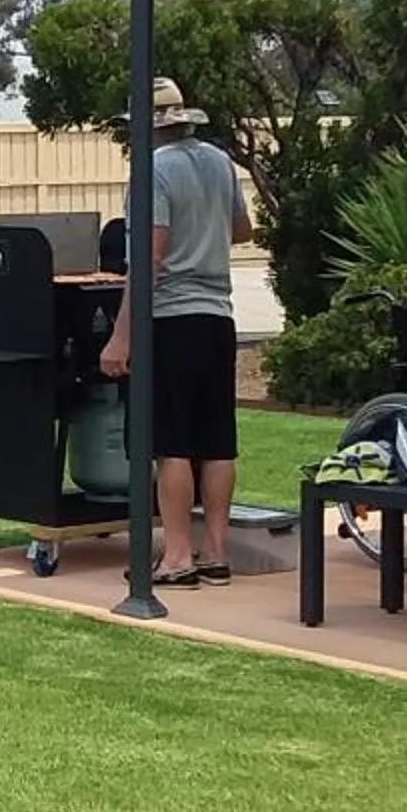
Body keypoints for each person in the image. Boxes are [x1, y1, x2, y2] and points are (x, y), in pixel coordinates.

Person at [99, 77, 255, 590]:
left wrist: (121, 335)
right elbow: (242, 229)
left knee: (172, 443)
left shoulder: (152, 171)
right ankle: (215, 551)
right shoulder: (218, 161)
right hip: (218, 316)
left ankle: (177, 556)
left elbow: (150, 258)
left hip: (171, 319)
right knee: (216, 440)